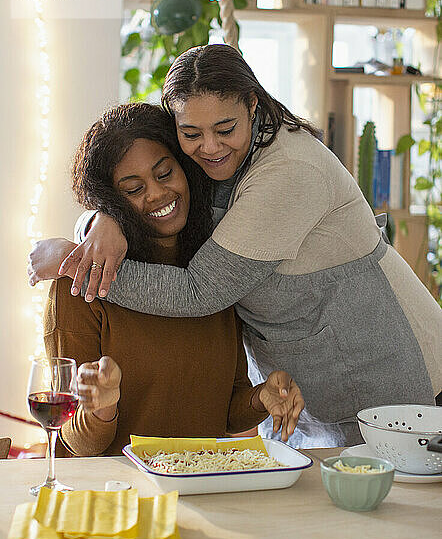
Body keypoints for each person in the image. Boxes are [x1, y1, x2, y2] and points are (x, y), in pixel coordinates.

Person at [30, 44, 442, 448]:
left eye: (225, 129)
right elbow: (132, 182)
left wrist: (75, 262)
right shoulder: (208, 163)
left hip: (389, 377)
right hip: (304, 402)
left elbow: (199, 290)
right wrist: (102, 219)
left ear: (252, 103)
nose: (209, 146)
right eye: (191, 133)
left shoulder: (289, 170)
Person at [41, 102, 304, 456]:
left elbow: (227, 410)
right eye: (133, 189)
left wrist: (261, 397)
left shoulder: (214, 269)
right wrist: (101, 409)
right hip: (119, 497)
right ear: (111, 202)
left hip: (204, 487)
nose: (157, 193)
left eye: (164, 174)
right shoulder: (80, 286)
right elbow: (76, 443)